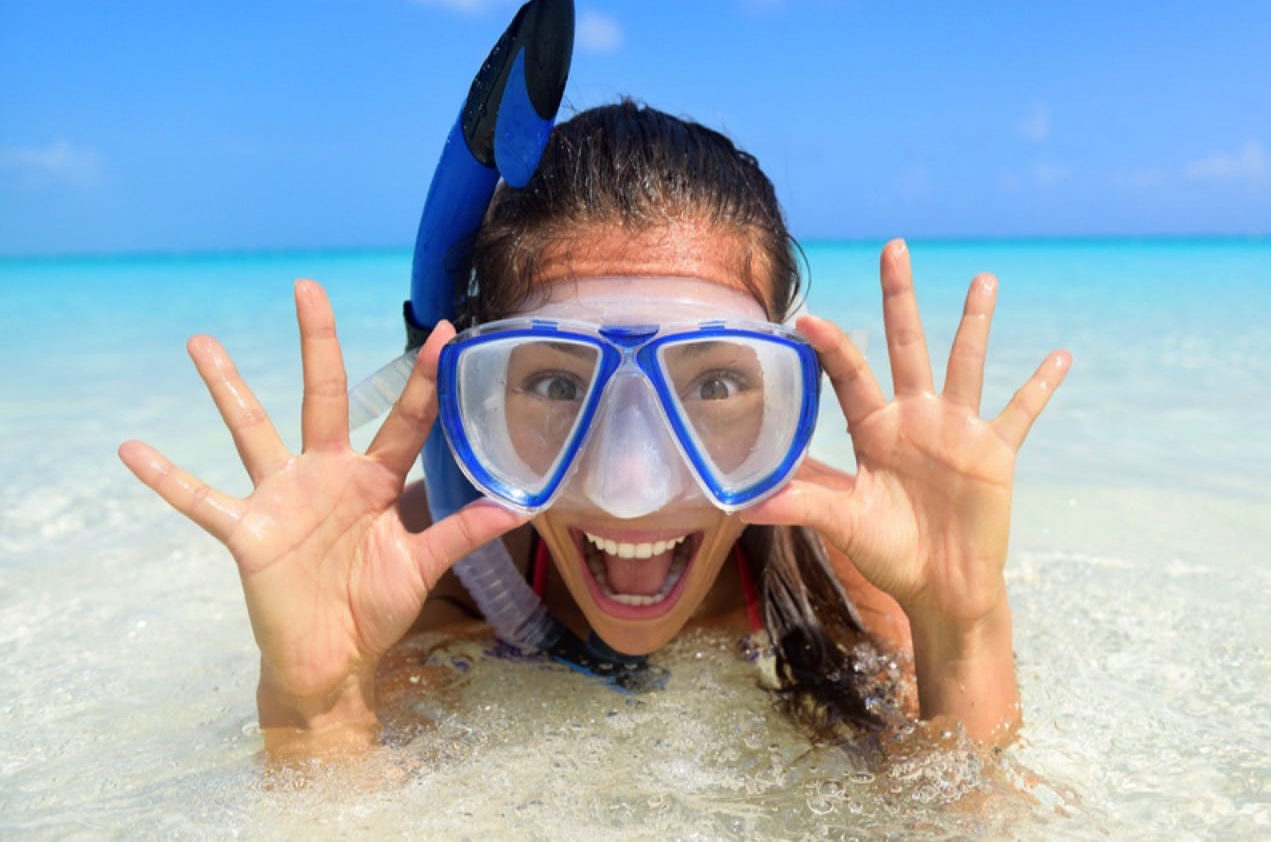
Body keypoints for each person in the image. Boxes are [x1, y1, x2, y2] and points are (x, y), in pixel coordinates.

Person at [117, 100, 1070, 760]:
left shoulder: (844, 571)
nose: (633, 479)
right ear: (472, 402)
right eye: (556, 387)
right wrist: (315, 704)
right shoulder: (413, 581)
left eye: (719, 384)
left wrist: (963, 623)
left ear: (789, 400)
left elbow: (972, 819)